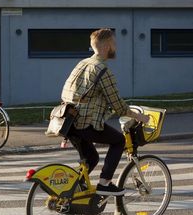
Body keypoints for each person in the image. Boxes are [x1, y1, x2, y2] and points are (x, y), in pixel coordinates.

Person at [61, 28, 149, 195]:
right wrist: (140, 117)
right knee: (118, 141)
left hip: (69, 124)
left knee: (92, 159)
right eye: (114, 43)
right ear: (108, 45)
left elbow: (66, 93)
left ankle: (69, 196)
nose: (115, 46)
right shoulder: (102, 70)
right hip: (86, 124)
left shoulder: (82, 63)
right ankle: (105, 184)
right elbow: (119, 106)